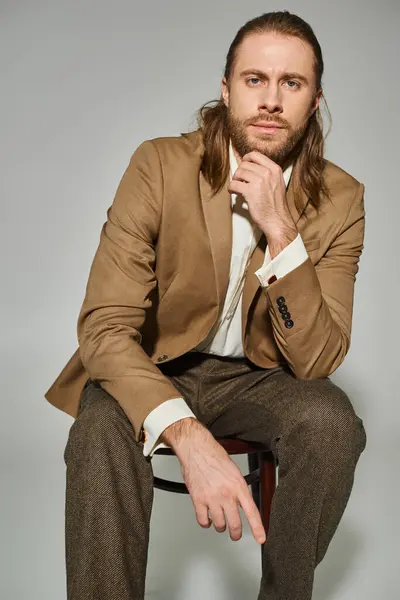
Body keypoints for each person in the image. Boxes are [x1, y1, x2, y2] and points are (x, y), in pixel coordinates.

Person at [45, 10, 367, 600]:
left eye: (290, 84)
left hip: (258, 380)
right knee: (98, 429)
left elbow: (319, 360)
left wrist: (281, 229)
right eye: (254, 80)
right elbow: (105, 328)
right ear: (225, 90)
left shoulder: (342, 199)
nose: (270, 100)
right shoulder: (160, 165)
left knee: (332, 422)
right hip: (154, 367)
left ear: (314, 100)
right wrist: (189, 437)